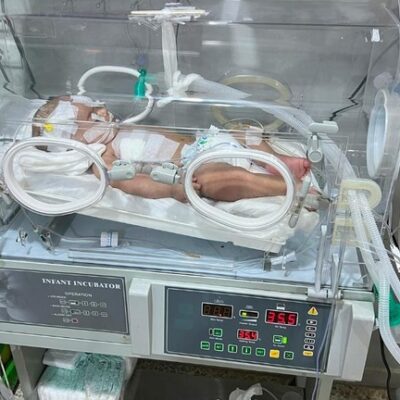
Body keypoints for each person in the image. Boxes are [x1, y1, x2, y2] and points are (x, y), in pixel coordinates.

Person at [32, 96, 311, 203]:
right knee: (219, 179)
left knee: (243, 128)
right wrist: (173, 190)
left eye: (96, 106)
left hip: (206, 141)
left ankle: (277, 160)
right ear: (76, 144)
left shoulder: (124, 125)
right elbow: (132, 183)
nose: (103, 111)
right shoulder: (103, 157)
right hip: (197, 162)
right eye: (92, 117)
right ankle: (290, 187)